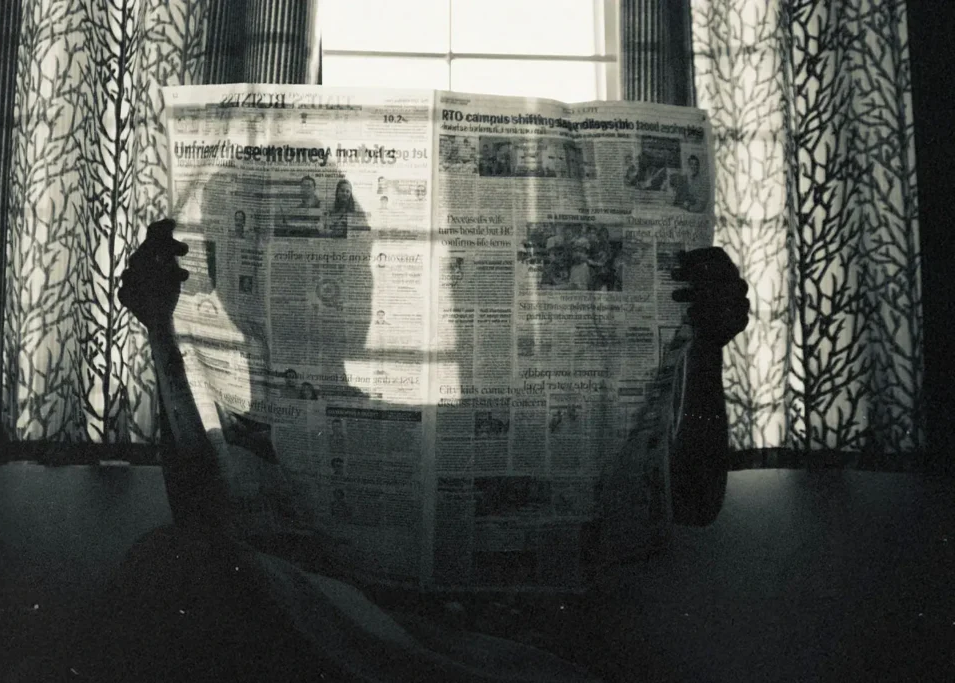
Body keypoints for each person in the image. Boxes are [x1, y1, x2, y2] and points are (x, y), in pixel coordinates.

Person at [117, 218, 749, 681]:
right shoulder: (233, 447)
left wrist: (707, 349)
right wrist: (160, 331)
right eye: (325, 254)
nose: (350, 275)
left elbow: (692, 503)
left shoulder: (459, 424)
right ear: (240, 287)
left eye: (358, 252)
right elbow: (197, 518)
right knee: (175, 561)